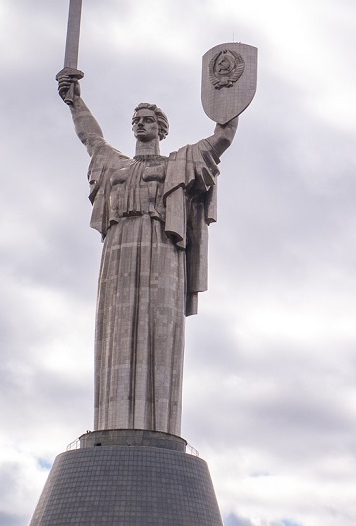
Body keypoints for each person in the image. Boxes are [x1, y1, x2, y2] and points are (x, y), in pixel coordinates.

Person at [55, 69, 237, 434]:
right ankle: (112, 424)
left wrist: (229, 101)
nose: (141, 124)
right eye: (136, 120)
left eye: (148, 120)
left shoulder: (178, 163)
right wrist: (75, 101)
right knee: (116, 329)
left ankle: (157, 427)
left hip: (162, 249)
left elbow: (222, 138)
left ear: (161, 128)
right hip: (119, 251)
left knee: (159, 324)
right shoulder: (115, 164)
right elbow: (90, 137)